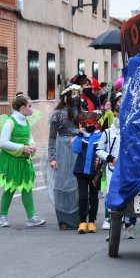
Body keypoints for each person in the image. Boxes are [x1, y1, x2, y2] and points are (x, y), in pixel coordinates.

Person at [0, 92, 46, 228]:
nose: (31, 109)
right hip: (11, 160)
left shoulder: (25, 122)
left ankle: (31, 217)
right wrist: (22, 148)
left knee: (27, 187)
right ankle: (2, 217)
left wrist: (32, 145)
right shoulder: (10, 122)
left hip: (24, 160)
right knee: (9, 188)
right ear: (23, 108)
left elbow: (29, 137)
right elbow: (3, 142)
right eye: (30, 106)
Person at [47, 84, 82, 230]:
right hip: (62, 151)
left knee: (77, 184)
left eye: (78, 93)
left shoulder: (82, 112)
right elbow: (52, 138)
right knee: (61, 184)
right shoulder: (57, 114)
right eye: (73, 93)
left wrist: (80, 134)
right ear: (66, 95)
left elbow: (88, 132)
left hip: (78, 150)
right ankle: (63, 219)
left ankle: (78, 217)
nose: (76, 95)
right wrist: (52, 157)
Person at [72, 112, 103, 234]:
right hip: (81, 171)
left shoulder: (101, 136)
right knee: (83, 197)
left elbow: (104, 152)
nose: (88, 125)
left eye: (91, 123)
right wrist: (80, 134)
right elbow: (76, 149)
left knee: (94, 198)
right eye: (86, 124)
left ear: (95, 124)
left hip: (95, 173)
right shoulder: (81, 136)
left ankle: (92, 222)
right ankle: (82, 222)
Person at [96, 105, 123, 232]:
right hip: (111, 167)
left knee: (124, 191)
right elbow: (99, 149)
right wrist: (110, 158)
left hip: (125, 168)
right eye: (116, 114)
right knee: (109, 192)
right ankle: (107, 219)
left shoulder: (128, 131)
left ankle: (124, 219)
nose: (118, 117)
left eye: (120, 115)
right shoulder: (107, 132)